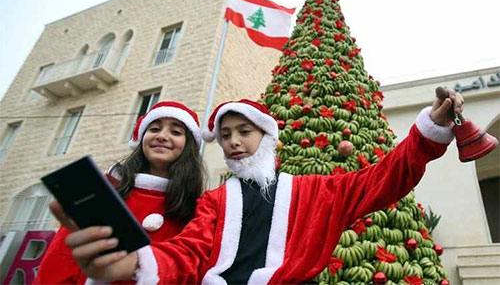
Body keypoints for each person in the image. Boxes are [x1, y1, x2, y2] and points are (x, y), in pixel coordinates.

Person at [50, 90, 464, 284]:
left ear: (267, 137)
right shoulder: (213, 201)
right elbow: (188, 252)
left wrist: (430, 130)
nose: (233, 141)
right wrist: (135, 265)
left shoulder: (315, 192)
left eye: (244, 131)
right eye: (225, 134)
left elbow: (385, 178)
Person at [34, 101, 206, 284]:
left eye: (176, 132)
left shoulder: (196, 208)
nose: (162, 136)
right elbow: (62, 254)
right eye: (154, 129)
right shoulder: (104, 188)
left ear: (188, 145)